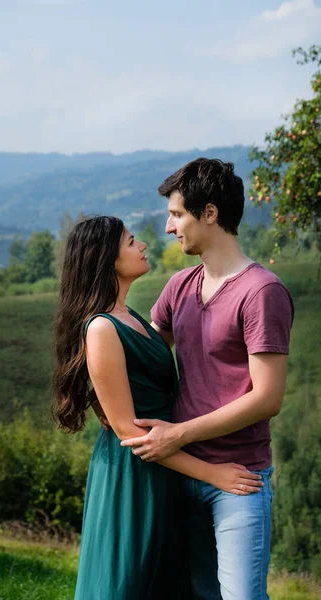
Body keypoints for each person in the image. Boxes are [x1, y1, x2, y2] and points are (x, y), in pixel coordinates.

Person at [52, 215, 264, 600]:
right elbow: (129, 433)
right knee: (129, 581)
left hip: (164, 469)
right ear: (107, 259)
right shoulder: (101, 328)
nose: (143, 245)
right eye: (132, 241)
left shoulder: (131, 317)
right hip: (133, 476)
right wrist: (212, 473)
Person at [121, 158, 294, 600]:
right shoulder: (179, 287)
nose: (168, 227)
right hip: (181, 475)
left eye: (177, 215)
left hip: (239, 480)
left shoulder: (261, 292)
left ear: (211, 213)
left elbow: (267, 399)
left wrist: (177, 434)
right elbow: (143, 355)